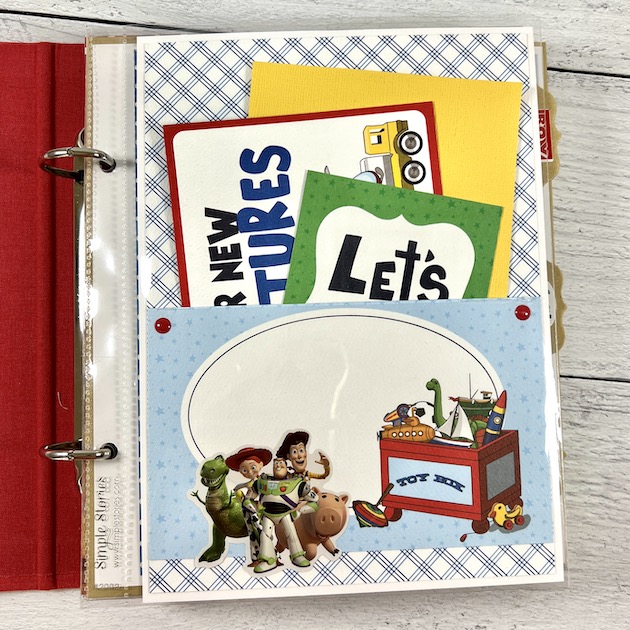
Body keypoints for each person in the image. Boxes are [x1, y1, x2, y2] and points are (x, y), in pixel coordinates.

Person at [225, 446, 272, 566]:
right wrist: (238, 492)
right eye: (244, 470)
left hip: (259, 508)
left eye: (253, 467)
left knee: (262, 531)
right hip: (248, 509)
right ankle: (255, 558)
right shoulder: (249, 483)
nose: (250, 472)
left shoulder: (263, 480)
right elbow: (238, 487)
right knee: (252, 533)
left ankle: (270, 555)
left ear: (260, 465)